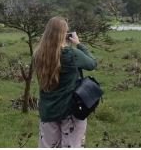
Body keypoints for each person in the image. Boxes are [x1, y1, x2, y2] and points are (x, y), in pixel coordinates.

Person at [34, 16, 97, 148]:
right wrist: (79, 44)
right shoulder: (70, 54)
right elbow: (92, 63)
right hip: (70, 110)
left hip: (48, 111)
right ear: (64, 34)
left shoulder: (38, 54)